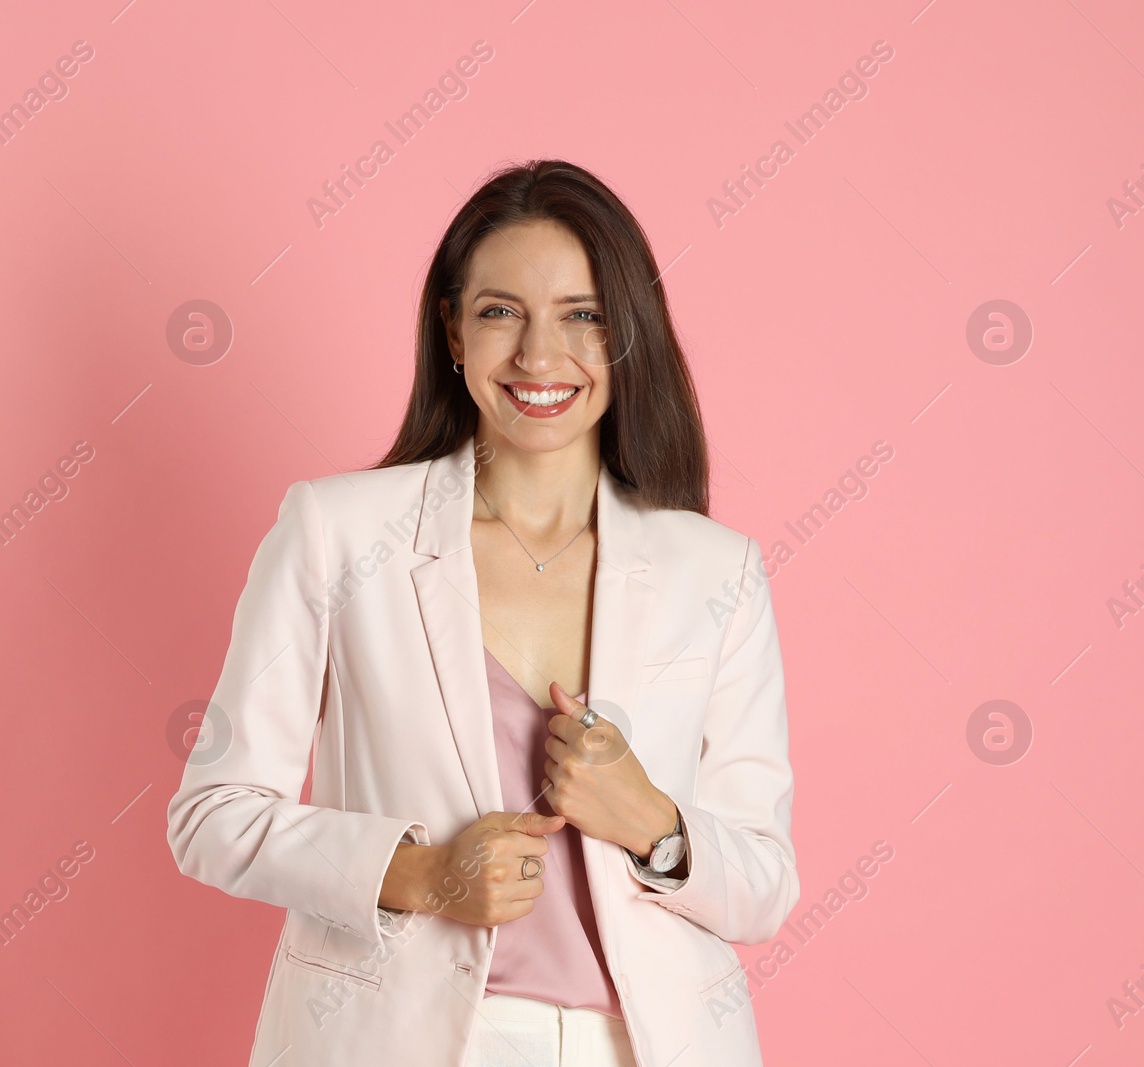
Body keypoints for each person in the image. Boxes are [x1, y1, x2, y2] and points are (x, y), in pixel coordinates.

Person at [166, 159, 799, 1067]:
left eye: (582, 316)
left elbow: (766, 884)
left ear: (628, 337)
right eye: (503, 312)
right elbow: (213, 813)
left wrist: (652, 821)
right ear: (453, 332)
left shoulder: (717, 569)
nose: (541, 358)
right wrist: (419, 872)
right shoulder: (338, 532)